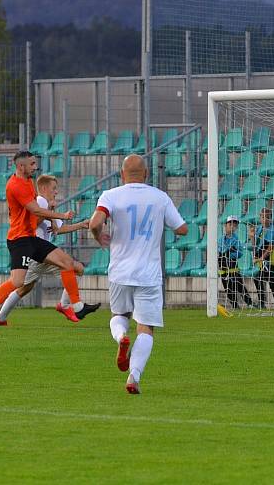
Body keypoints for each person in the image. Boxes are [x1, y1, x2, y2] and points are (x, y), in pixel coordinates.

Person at [89, 154, 187, 394]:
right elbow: (182, 229)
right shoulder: (159, 197)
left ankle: (121, 336)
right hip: (149, 274)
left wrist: (98, 235)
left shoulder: (111, 195)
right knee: (146, 327)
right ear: (146, 174)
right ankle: (134, 376)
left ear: (122, 174)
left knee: (119, 314)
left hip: (120, 272)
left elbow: (94, 223)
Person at [0, 151, 99, 329]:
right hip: (19, 240)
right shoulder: (15, 185)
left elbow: (45, 221)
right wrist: (61, 214)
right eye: (32, 164)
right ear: (20, 166)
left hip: (31, 237)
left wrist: (57, 219)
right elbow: (36, 211)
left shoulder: (29, 182)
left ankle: (77, 307)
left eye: (35, 163)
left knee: (67, 263)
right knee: (19, 283)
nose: (35, 167)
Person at [250, 208, 274, 310]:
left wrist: (261, 258)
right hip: (263, 260)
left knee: (258, 278)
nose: (265, 219)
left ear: (271, 219)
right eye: (263, 217)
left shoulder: (271, 231)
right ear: (260, 218)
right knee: (271, 281)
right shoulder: (259, 229)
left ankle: (262, 303)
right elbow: (256, 245)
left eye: (267, 217)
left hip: (270, 260)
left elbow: (270, 247)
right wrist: (252, 237)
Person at [219, 215, 252, 310]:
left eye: (234, 224)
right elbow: (219, 250)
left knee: (239, 285)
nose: (232, 226)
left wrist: (230, 254)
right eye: (230, 224)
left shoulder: (236, 239)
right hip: (223, 267)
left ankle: (249, 303)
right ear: (226, 225)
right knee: (227, 288)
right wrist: (226, 251)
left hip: (232, 266)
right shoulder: (221, 239)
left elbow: (240, 253)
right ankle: (234, 305)